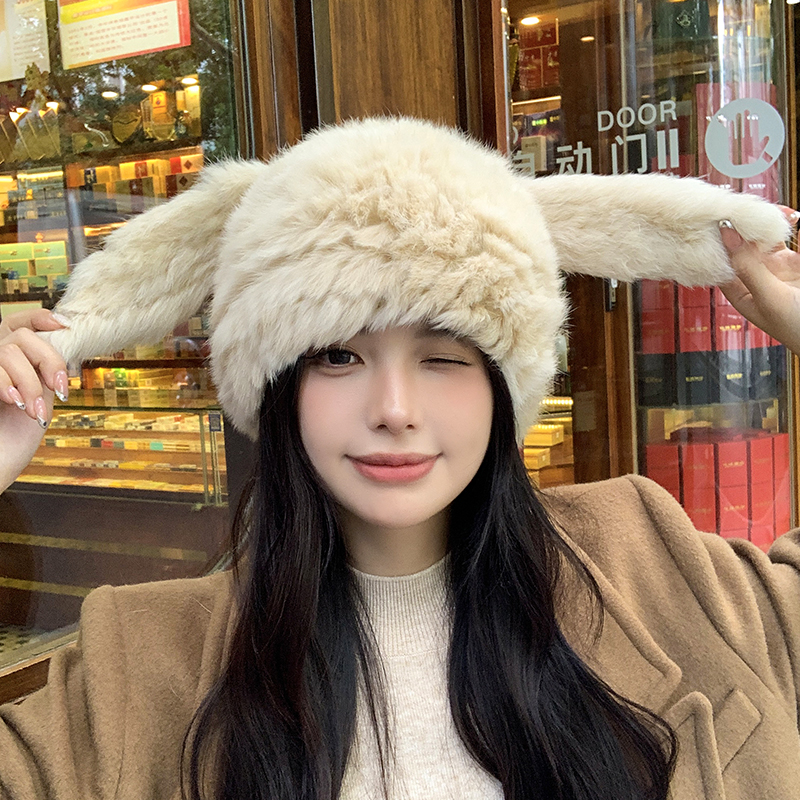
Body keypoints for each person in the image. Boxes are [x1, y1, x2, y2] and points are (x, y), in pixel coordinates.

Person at [0, 117, 799, 800]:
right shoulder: (139, 663)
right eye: (338, 356)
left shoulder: (652, 567)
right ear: (277, 389)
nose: (393, 409)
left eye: (442, 355)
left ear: (502, 387)